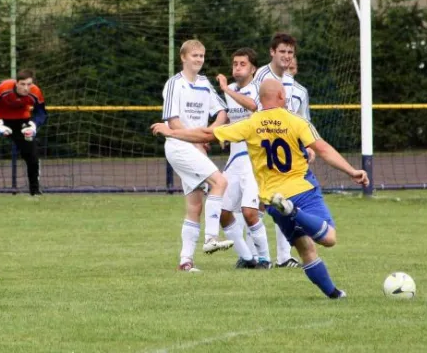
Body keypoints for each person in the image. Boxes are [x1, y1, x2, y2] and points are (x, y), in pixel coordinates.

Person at [151, 78, 369, 299]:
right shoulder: (296, 121)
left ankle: (334, 294)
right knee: (329, 238)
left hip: (273, 198)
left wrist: (172, 133)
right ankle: (293, 212)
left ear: (261, 99)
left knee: (306, 250)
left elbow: (208, 134)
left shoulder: (251, 123)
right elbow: (322, 149)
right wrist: (351, 171)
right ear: (282, 97)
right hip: (302, 189)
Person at [162, 39, 233, 273]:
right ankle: (211, 238)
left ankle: (185, 261)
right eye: (194, 56)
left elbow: (222, 111)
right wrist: (198, 139)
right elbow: (173, 123)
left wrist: (210, 133)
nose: (199, 60)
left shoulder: (204, 83)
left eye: (202, 56)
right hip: (179, 145)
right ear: (183, 57)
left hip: (196, 145)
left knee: (194, 206)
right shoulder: (174, 84)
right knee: (220, 182)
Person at [253, 32, 314, 268]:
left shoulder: (297, 89)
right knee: (253, 203)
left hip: (288, 153)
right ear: (272, 52)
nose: (287, 56)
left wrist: (308, 145)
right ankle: (253, 254)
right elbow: (254, 111)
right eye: (282, 51)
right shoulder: (261, 77)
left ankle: (283, 256)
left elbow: (303, 120)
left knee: (283, 200)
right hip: (262, 149)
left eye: (290, 52)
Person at [216, 48, 272, 269]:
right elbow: (233, 118)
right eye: (235, 63)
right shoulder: (231, 91)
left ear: (253, 69)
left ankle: (265, 259)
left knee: (250, 212)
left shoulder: (257, 88)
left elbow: (253, 106)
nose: (237, 67)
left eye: (242, 64)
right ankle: (247, 257)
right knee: (223, 212)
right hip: (234, 160)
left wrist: (225, 89)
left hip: (254, 161)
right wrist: (223, 133)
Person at [0, 69, 47, 197]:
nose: (26, 88)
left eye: (29, 84)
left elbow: (41, 112)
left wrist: (34, 125)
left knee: (32, 154)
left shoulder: (36, 92)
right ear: (16, 83)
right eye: (23, 84)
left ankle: (35, 191)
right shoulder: (4, 87)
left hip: (21, 120)